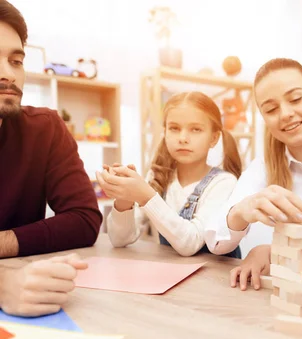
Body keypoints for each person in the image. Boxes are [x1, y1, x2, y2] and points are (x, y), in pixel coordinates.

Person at [205, 58, 302, 287]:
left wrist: (272, 252)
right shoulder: (263, 168)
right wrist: (241, 211)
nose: (286, 113)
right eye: (271, 109)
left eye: (295, 99)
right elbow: (216, 242)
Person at [0, 0, 102, 259]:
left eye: (16, 61)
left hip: (28, 290)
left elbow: (84, 219)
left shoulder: (43, 129)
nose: (8, 74)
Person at [97, 92, 242, 257]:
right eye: (174, 128)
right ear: (165, 132)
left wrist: (146, 196)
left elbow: (190, 243)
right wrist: (125, 200)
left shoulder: (224, 182)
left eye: (196, 129)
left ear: (214, 138)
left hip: (215, 280)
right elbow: (118, 240)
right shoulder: (159, 177)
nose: (183, 138)